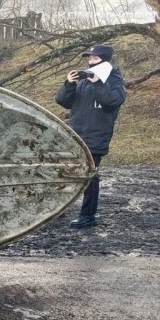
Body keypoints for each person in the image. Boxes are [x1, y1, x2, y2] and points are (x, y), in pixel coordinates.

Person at [55, 44, 126, 229]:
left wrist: (97, 82)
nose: (90, 61)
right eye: (89, 58)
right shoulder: (84, 79)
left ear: (104, 58)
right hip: (75, 132)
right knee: (67, 171)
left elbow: (112, 101)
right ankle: (58, 209)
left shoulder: (114, 79)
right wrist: (69, 83)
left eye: (94, 58)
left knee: (90, 175)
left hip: (96, 134)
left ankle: (87, 215)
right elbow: (63, 101)